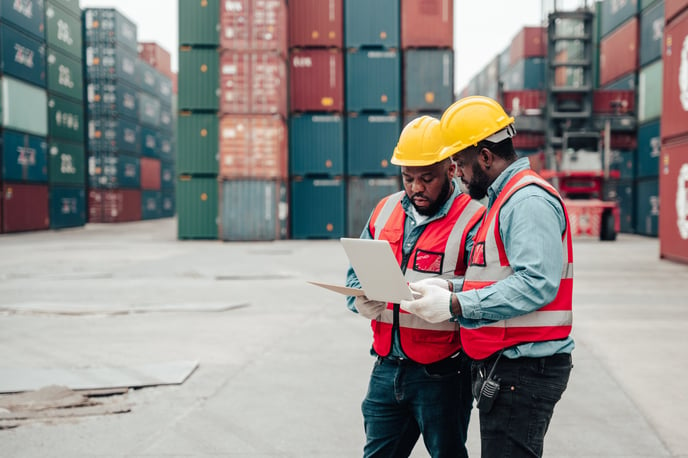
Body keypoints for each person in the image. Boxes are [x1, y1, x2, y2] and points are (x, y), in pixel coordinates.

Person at [400, 96, 574, 458]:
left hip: (524, 370)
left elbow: (536, 284)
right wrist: (450, 286)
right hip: (510, 370)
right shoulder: (502, 201)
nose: (457, 173)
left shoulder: (526, 201)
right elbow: (499, 277)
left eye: (460, 163)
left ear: (484, 156)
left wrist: (454, 304)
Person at [345, 115, 485, 458]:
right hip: (386, 368)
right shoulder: (385, 209)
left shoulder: (473, 218)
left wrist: (449, 293)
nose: (416, 188)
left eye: (427, 178)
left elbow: (485, 290)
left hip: (443, 375)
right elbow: (354, 276)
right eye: (408, 178)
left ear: (450, 169)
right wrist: (358, 300)